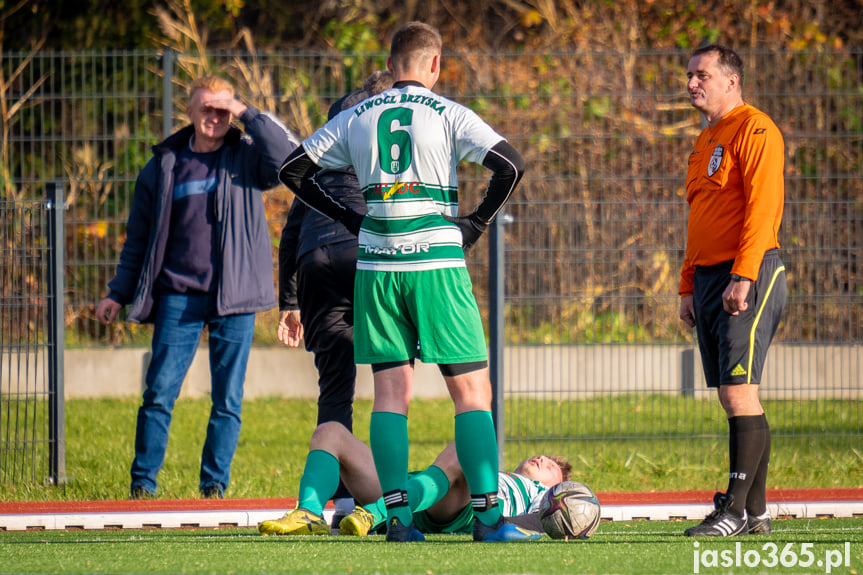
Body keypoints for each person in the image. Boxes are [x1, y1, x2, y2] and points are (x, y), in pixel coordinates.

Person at [278, 21, 530, 542]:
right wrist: (476, 224)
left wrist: (351, 220)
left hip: (377, 265)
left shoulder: (356, 116)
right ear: (435, 65)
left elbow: (293, 170)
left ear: (390, 66)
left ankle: (397, 521)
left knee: (390, 396)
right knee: (471, 394)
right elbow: (510, 163)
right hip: (436, 263)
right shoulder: (450, 113)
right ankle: (488, 520)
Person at [96, 75, 299, 499]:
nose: (214, 117)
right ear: (188, 111)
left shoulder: (247, 156)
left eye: (223, 110)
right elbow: (138, 238)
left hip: (235, 297)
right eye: (206, 108)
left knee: (227, 401)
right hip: (179, 296)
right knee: (158, 393)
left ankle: (213, 489)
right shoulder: (164, 164)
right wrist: (119, 291)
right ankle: (142, 487)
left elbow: (288, 158)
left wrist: (247, 112)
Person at [678, 44, 787, 537]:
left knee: (737, 392)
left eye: (701, 75)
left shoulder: (755, 129)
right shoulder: (704, 141)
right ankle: (758, 513)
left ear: (731, 81)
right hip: (707, 278)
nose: (691, 83)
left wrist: (744, 276)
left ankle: (736, 510)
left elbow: (763, 208)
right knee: (738, 395)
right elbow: (698, 217)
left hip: (749, 272)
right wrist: (687, 285)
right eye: (689, 75)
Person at [277, 70, 394, 525]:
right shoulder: (390, 143)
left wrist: (288, 302)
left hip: (315, 261)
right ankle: (391, 497)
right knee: (392, 375)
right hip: (368, 252)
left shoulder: (322, 154)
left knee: (335, 387)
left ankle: (342, 499)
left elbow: (291, 232)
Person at [257, 421, 571, 537]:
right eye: (543, 457)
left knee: (464, 449)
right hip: (415, 491)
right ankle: (309, 512)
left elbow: (549, 518)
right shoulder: (499, 471)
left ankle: (380, 513)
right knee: (330, 433)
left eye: (550, 468)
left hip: (457, 511)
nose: (542, 460)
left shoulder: (540, 495)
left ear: (552, 485)